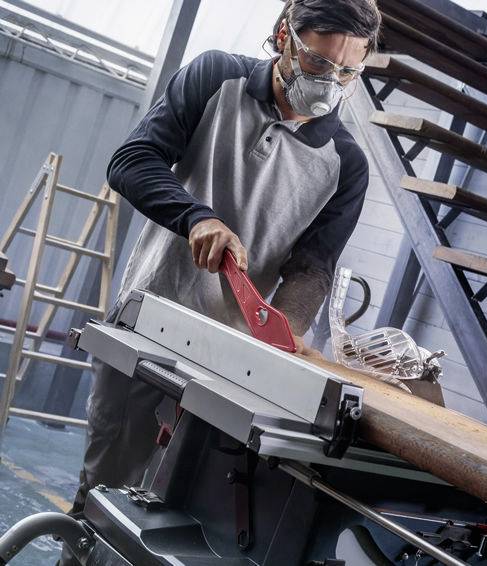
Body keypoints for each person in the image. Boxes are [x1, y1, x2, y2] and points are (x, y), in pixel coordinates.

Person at [59, 0, 381, 562]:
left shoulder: (346, 163)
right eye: (319, 65)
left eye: (348, 72)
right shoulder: (216, 78)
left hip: (235, 370)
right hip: (149, 329)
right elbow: (131, 161)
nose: (331, 83)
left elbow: (312, 266)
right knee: (102, 498)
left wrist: (289, 330)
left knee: (184, 525)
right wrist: (197, 217)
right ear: (285, 35)